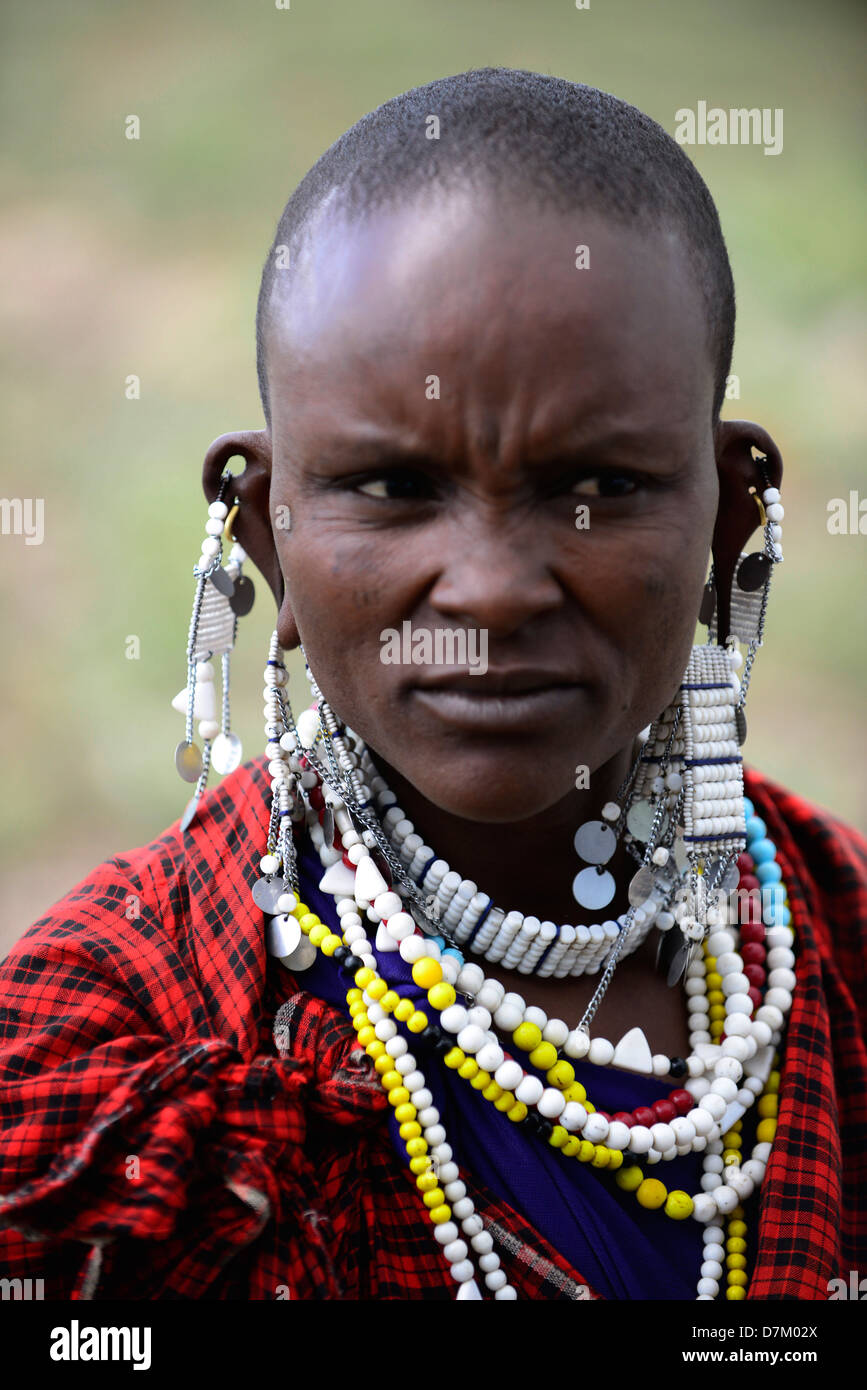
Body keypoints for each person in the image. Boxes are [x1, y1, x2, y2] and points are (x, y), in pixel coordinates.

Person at [0, 68, 864, 1302]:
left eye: (599, 487)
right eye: (394, 488)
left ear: (727, 522)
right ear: (266, 541)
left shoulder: (836, 947)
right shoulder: (107, 1041)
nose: (493, 591)